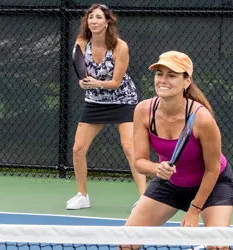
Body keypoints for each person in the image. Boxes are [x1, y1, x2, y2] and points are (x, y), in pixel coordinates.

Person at [123, 51, 233, 232]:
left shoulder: (202, 119)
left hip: (213, 184)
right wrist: (157, 169)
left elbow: (212, 169)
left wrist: (194, 210)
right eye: (159, 74)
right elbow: (139, 162)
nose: (163, 80)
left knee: (217, 245)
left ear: (186, 81)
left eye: (172, 75)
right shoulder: (143, 111)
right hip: (170, 184)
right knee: (127, 241)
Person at [66, 3, 147, 210]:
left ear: (108, 21)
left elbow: (117, 82)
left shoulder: (120, 46)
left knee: (129, 147)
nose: (93, 21)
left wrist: (97, 83)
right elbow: (81, 74)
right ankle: (82, 195)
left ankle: (145, 198)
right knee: (78, 149)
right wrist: (84, 82)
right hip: (95, 102)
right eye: (90, 17)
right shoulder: (82, 43)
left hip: (123, 99)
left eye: (99, 17)